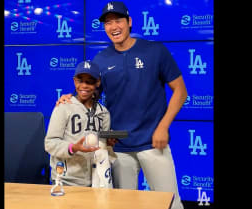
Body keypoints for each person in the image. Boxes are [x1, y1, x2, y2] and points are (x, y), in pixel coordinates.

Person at [57, 2, 187, 208]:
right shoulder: (101, 59)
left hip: (153, 142)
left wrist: (163, 127)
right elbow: (88, 94)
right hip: (117, 145)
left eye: (118, 20)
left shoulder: (155, 51)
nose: (113, 26)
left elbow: (180, 91)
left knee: (169, 204)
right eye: (108, 23)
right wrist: (68, 98)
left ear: (129, 22)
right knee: (124, 205)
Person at [45, 60, 116, 188]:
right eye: (80, 80)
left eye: (89, 81)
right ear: (74, 81)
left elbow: (104, 149)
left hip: (97, 181)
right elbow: (50, 143)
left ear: (97, 83)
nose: (84, 86)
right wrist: (73, 147)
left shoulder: (103, 113)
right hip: (66, 181)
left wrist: (109, 143)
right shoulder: (63, 107)